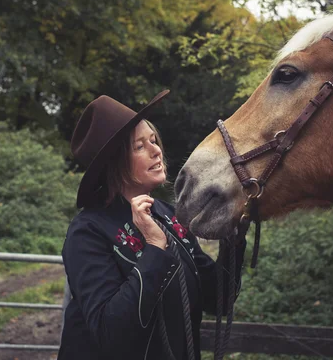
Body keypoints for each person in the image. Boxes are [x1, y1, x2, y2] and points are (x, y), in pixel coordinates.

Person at [57, 90, 246, 360]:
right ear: (114, 163)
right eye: (140, 146)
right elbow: (111, 332)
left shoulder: (170, 217)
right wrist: (155, 248)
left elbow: (218, 300)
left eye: (154, 140)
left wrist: (234, 237)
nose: (157, 150)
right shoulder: (88, 231)